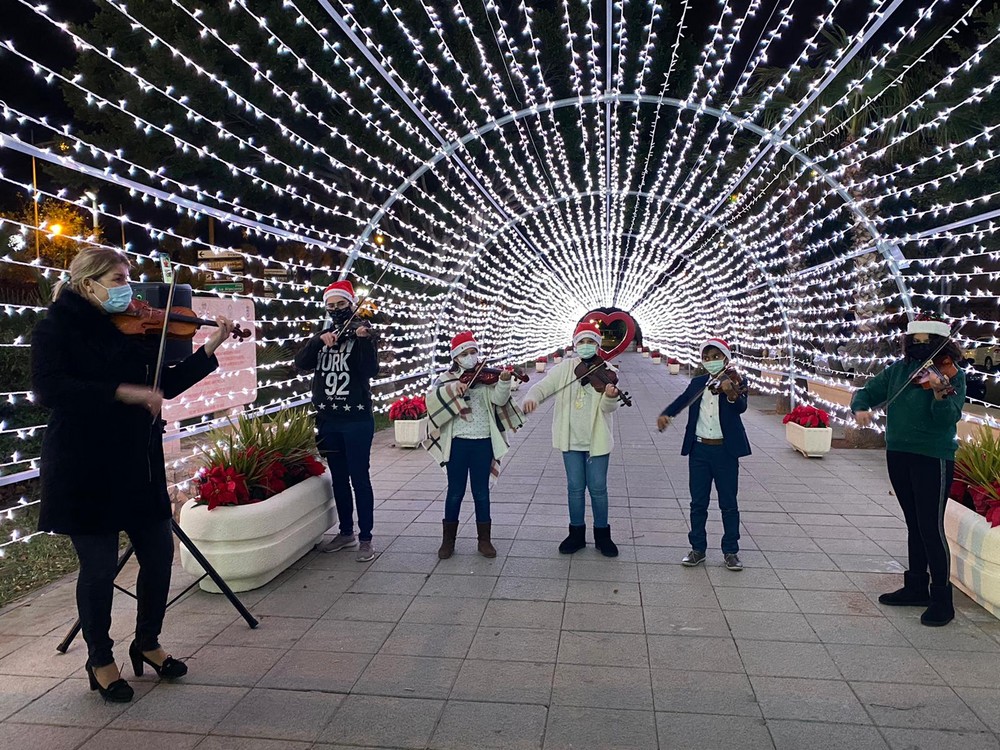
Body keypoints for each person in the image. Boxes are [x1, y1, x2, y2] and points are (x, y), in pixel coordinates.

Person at [31, 247, 234, 703]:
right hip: (83, 464)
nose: (130, 290)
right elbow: (48, 388)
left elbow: (160, 387)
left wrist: (208, 349)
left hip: (137, 461)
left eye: (127, 278)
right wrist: (119, 392)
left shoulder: (130, 330)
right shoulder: (55, 328)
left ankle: (147, 642)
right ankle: (99, 658)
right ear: (89, 284)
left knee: (159, 555)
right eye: (119, 279)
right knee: (99, 568)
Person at [851, 314, 965, 626]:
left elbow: (946, 419)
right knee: (913, 524)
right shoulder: (899, 370)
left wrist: (941, 394)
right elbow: (867, 392)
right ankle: (916, 587)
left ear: (941, 344)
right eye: (915, 340)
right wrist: (860, 407)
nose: (919, 346)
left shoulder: (951, 375)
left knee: (931, 526)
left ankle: (942, 598)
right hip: (898, 454)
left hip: (933, 456)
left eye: (927, 341)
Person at [295, 280, 380, 562]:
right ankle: (345, 533)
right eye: (330, 306)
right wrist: (319, 339)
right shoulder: (324, 336)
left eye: (341, 305)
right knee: (339, 480)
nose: (336, 310)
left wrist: (364, 339)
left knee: (360, 478)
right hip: (328, 419)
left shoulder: (361, 334)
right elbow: (301, 363)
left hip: (356, 420)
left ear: (351, 305)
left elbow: (370, 371)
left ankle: (366, 537)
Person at [522, 322, 621, 557]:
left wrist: (609, 396)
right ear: (575, 344)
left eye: (591, 342)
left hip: (596, 440)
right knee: (575, 488)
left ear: (598, 345)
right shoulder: (565, 368)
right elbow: (542, 387)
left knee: (598, 488)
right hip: (570, 440)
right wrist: (532, 397)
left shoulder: (608, 371)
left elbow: (610, 407)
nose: (586, 346)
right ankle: (576, 533)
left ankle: (602, 535)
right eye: (582, 342)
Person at [423, 331, 524, 559]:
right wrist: (453, 389)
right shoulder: (446, 379)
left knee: (481, 492)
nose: (471, 357)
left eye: (473, 352)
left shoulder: (487, 378)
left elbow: (499, 400)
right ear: (456, 357)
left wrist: (505, 381)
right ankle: (448, 541)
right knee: (455, 491)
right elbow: (433, 400)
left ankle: (484, 541)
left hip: (482, 442)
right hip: (457, 443)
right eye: (465, 354)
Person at [657, 338, 750, 571]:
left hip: (725, 451)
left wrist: (731, 394)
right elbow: (683, 400)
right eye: (706, 358)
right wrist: (667, 414)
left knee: (728, 503)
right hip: (699, 450)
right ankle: (697, 549)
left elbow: (741, 407)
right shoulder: (698, 382)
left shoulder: (736, 381)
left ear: (726, 359)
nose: (711, 362)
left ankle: (731, 551)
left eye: (715, 357)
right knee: (698, 502)